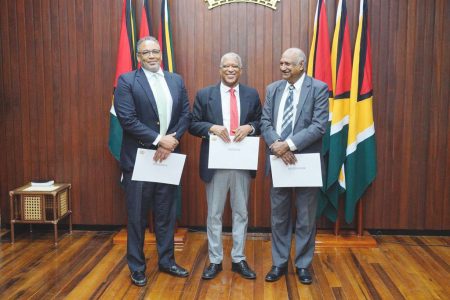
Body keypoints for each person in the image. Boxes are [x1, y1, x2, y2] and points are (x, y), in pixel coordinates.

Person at [114, 36, 191, 287]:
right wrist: (160, 140)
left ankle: (167, 261)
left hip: (168, 157)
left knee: (165, 213)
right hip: (139, 159)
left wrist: (173, 139)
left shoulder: (175, 79)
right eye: (145, 52)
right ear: (138, 57)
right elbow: (127, 119)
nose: (151, 56)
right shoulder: (126, 81)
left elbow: (185, 115)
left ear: (161, 54)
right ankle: (137, 267)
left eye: (155, 51)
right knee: (136, 217)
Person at [189, 52, 262, 280]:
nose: (230, 70)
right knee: (214, 214)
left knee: (241, 212)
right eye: (226, 66)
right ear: (219, 69)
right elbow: (192, 124)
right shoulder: (205, 94)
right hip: (216, 162)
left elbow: (262, 121)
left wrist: (250, 127)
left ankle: (239, 259)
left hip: (241, 162)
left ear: (241, 70)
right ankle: (215, 260)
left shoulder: (251, 94)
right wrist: (211, 127)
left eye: (235, 66)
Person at [260, 48, 328, 284]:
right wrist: (276, 144)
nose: (283, 68)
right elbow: (265, 121)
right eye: (281, 63)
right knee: (279, 216)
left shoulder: (318, 88)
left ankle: (302, 265)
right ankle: (279, 263)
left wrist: (288, 144)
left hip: (305, 162)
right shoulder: (273, 89)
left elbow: (319, 126)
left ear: (302, 65)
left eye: (288, 64)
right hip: (278, 160)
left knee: (306, 217)